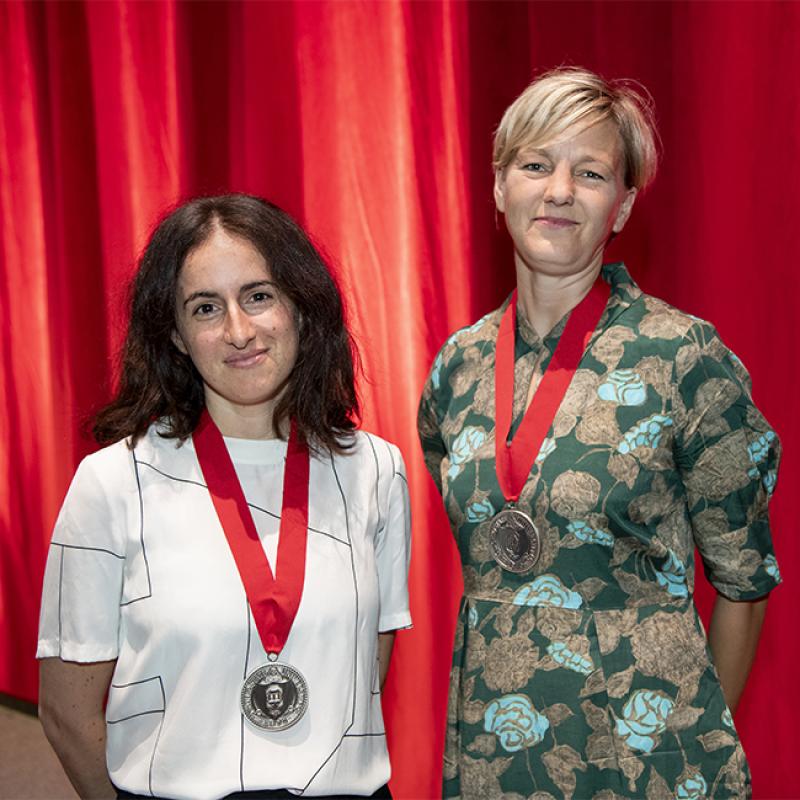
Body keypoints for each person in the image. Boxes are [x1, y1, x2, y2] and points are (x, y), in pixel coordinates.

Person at [418, 67, 781, 799]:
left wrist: (694, 743)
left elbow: (744, 582)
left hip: (654, 762)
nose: (559, 190)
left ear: (621, 207)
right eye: (535, 164)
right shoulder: (455, 369)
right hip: (497, 754)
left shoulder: (684, 357)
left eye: (589, 173)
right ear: (498, 186)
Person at [37, 194, 412, 800]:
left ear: (300, 307)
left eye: (259, 296)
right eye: (206, 307)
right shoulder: (111, 483)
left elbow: (363, 674)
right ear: (178, 336)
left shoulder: (375, 470)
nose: (239, 331)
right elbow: (65, 714)